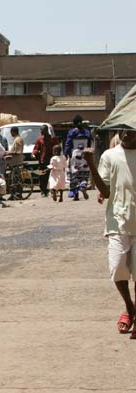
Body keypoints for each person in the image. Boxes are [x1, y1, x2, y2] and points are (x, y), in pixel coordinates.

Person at [85, 130, 136, 337]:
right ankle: (130, 308)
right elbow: (105, 191)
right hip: (117, 222)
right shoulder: (110, 155)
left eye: (131, 130)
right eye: (122, 129)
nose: (125, 133)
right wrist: (90, 163)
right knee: (117, 269)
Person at [33, 125, 59, 197]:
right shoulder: (40, 139)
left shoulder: (53, 139)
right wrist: (35, 152)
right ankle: (43, 191)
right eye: (41, 130)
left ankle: (51, 190)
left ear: (46, 130)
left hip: (51, 160)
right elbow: (36, 148)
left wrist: (57, 156)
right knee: (42, 176)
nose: (41, 131)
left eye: (42, 130)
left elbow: (57, 147)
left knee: (51, 176)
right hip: (42, 160)